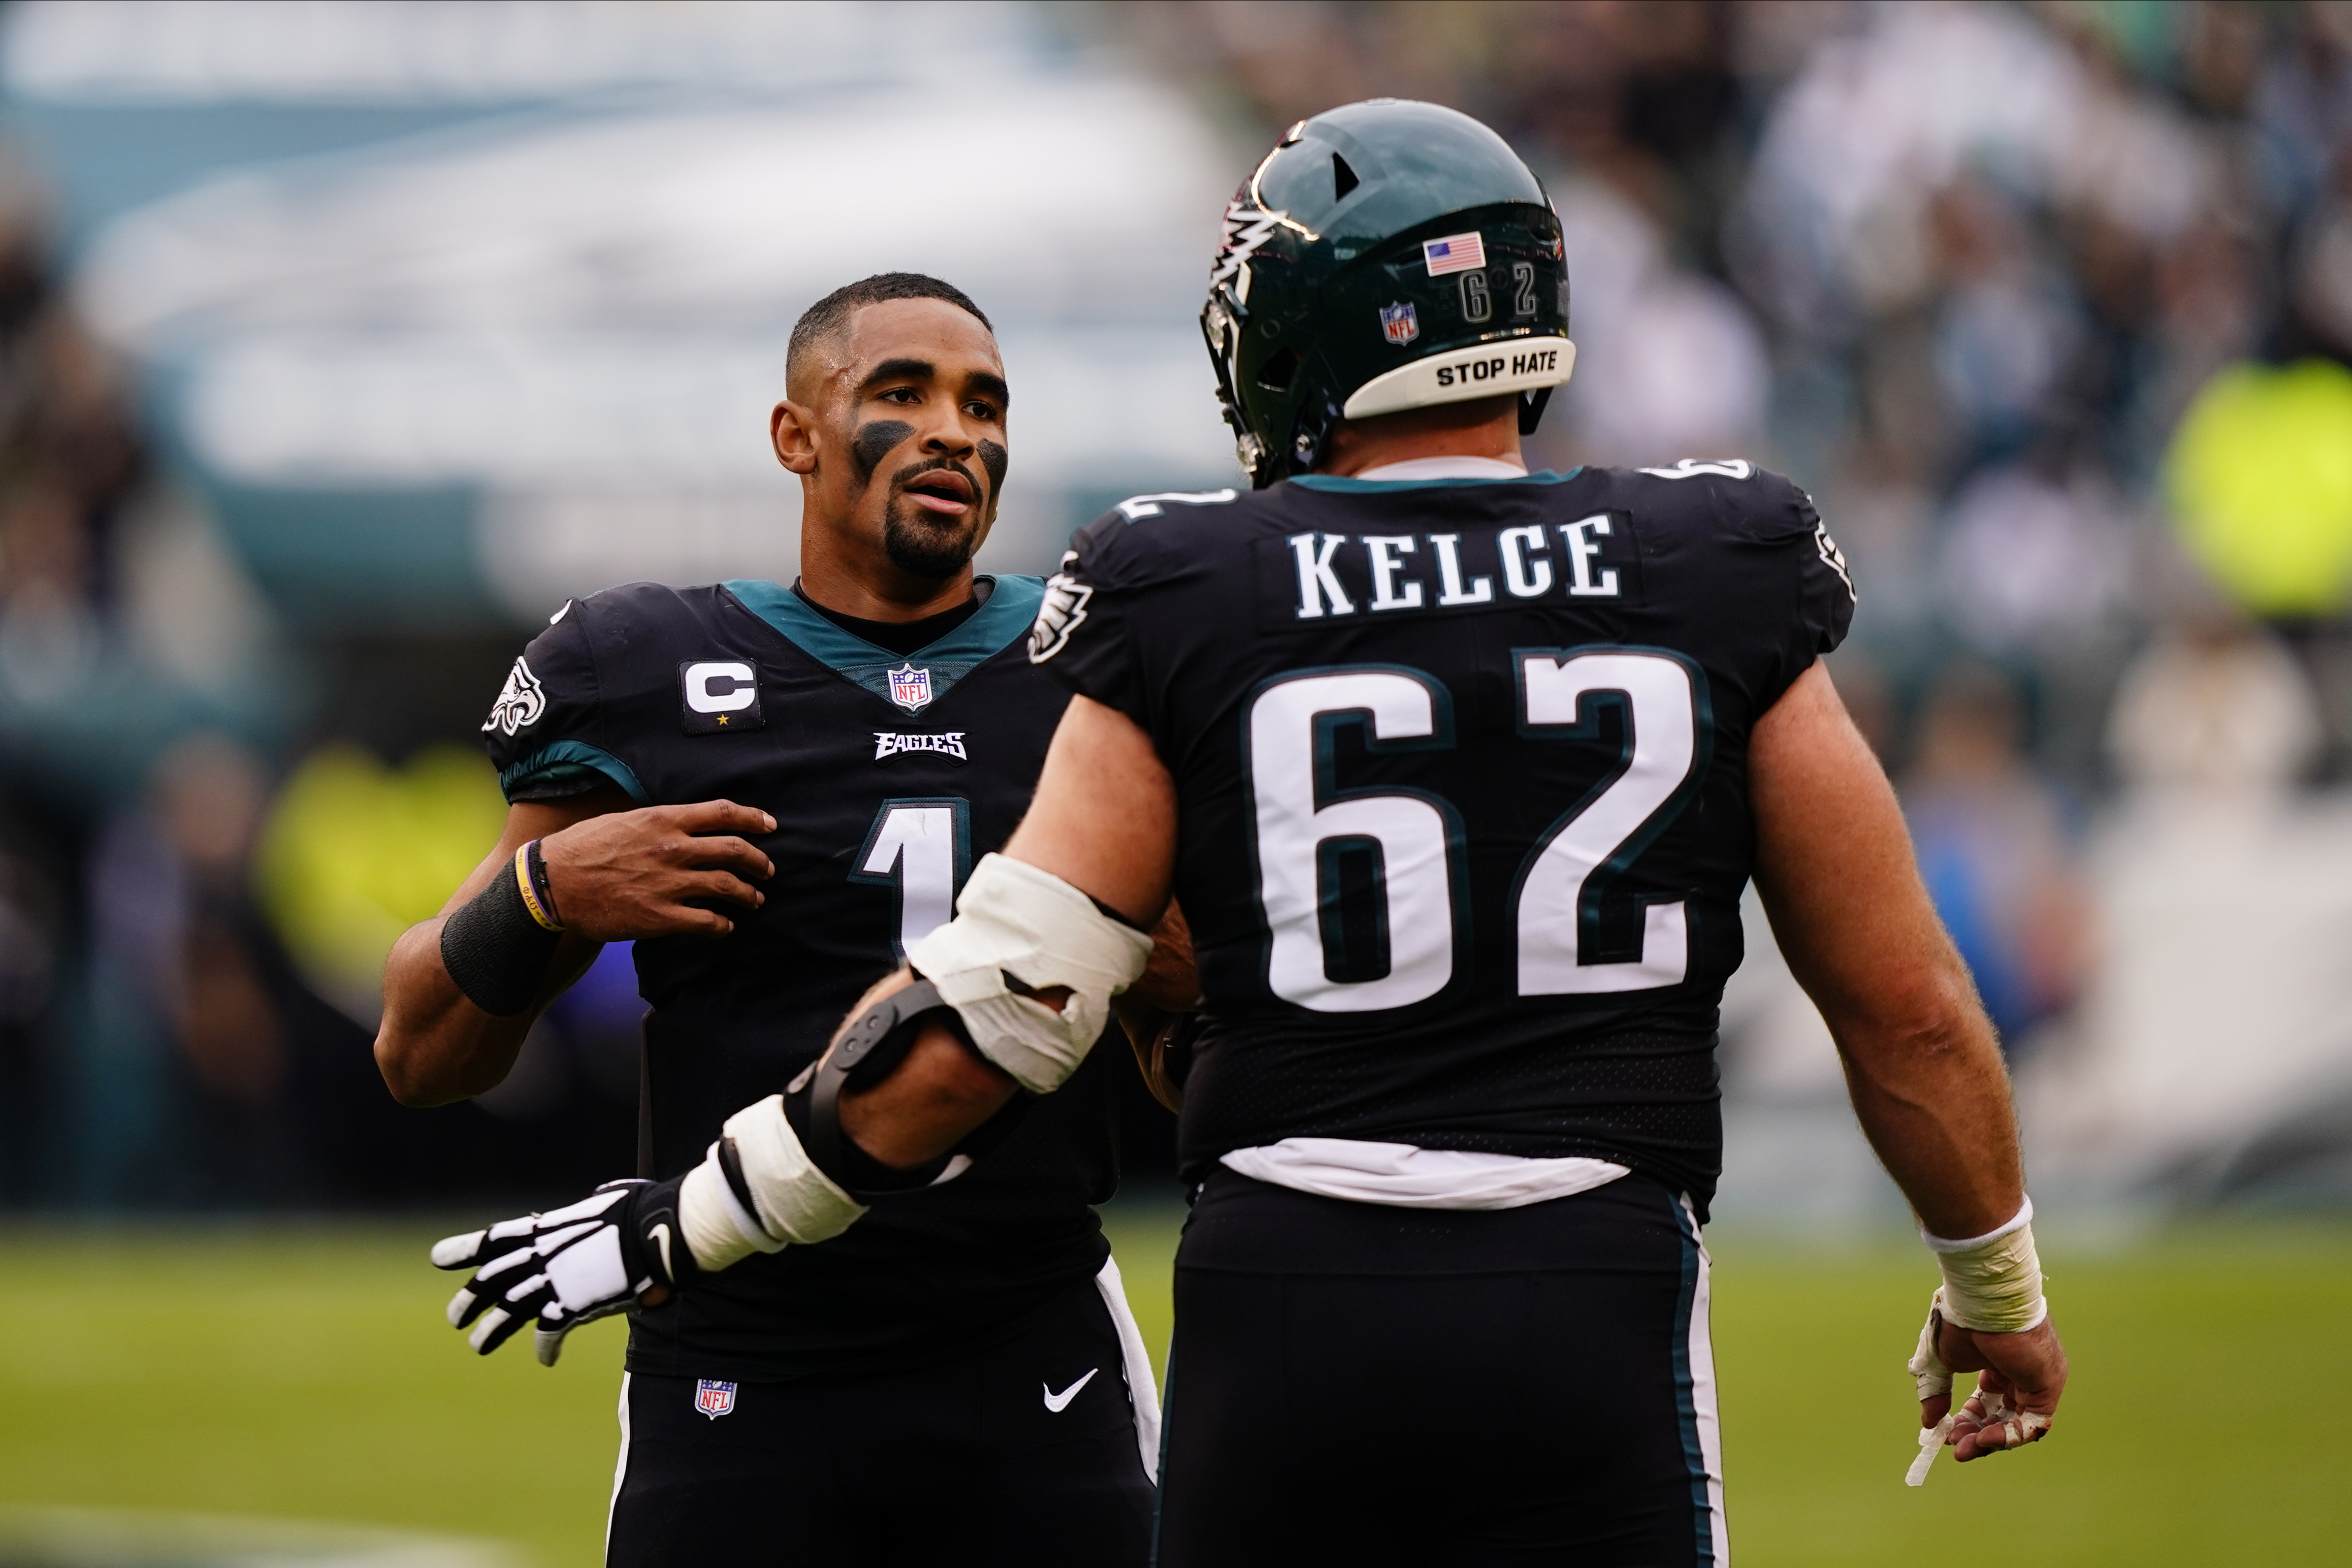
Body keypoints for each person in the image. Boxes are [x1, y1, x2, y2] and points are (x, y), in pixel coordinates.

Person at [437, 105, 2069, 1565]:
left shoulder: (1188, 578)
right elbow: (1903, 1003)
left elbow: (1000, 1003)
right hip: (1593, 1269)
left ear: (1302, 324)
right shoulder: (1714, 553)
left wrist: (687, 1219)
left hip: (1287, 1283)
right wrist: (1996, 1295)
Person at [379, 273, 1164, 1566]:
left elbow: (1179, 1027)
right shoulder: (639, 667)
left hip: (1030, 1341)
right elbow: (420, 1052)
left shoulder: (1091, 655)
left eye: (984, 403)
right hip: (740, 1351)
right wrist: (548, 892)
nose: (954, 432)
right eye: (899, 393)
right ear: (795, 434)